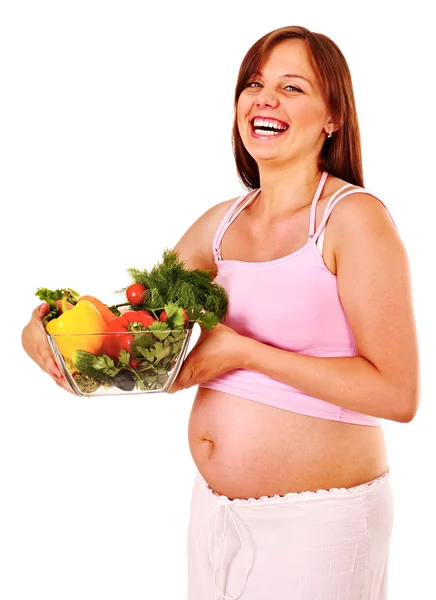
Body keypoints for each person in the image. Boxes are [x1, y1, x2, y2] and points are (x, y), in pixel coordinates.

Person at [22, 25, 420, 600]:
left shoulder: (353, 220)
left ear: (333, 115)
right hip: (214, 517)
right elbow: (133, 336)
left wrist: (242, 352)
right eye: (255, 83)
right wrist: (46, 336)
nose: (266, 99)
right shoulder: (221, 224)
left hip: (319, 525)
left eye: (292, 87)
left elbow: (397, 395)